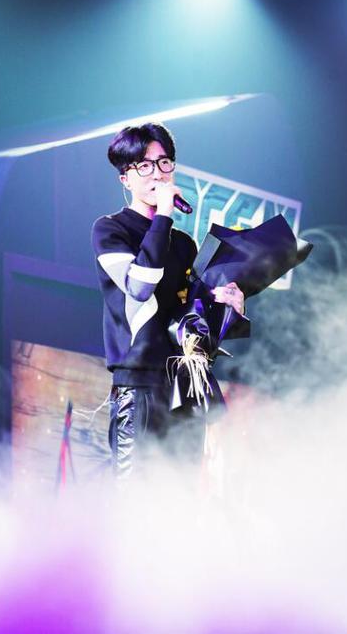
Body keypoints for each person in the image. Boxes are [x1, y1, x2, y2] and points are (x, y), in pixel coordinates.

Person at [91, 122, 244, 479]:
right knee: (137, 492)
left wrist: (228, 307)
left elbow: (194, 323)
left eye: (164, 162)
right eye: (144, 165)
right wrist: (162, 215)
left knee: (181, 492)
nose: (157, 173)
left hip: (184, 383)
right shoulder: (110, 229)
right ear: (125, 179)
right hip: (139, 384)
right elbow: (140, 286)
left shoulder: (184, 244)